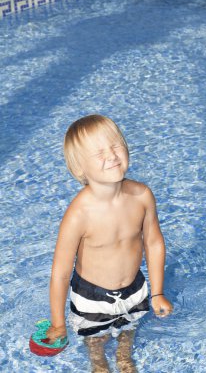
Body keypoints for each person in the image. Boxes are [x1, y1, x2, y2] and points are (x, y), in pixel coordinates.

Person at [46, 114, 173, 372]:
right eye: (99, 152)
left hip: (135, 289)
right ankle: (98, 362)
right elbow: (60, 273)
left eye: (116, 145)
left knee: (129, 328)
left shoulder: (141, 195)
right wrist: (58, 322)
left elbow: (154, 242)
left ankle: (125, 357)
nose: (113, 155)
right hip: (91, 298)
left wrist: (157, 292)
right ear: (80, 168)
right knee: (95, 338)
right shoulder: (79, 214)